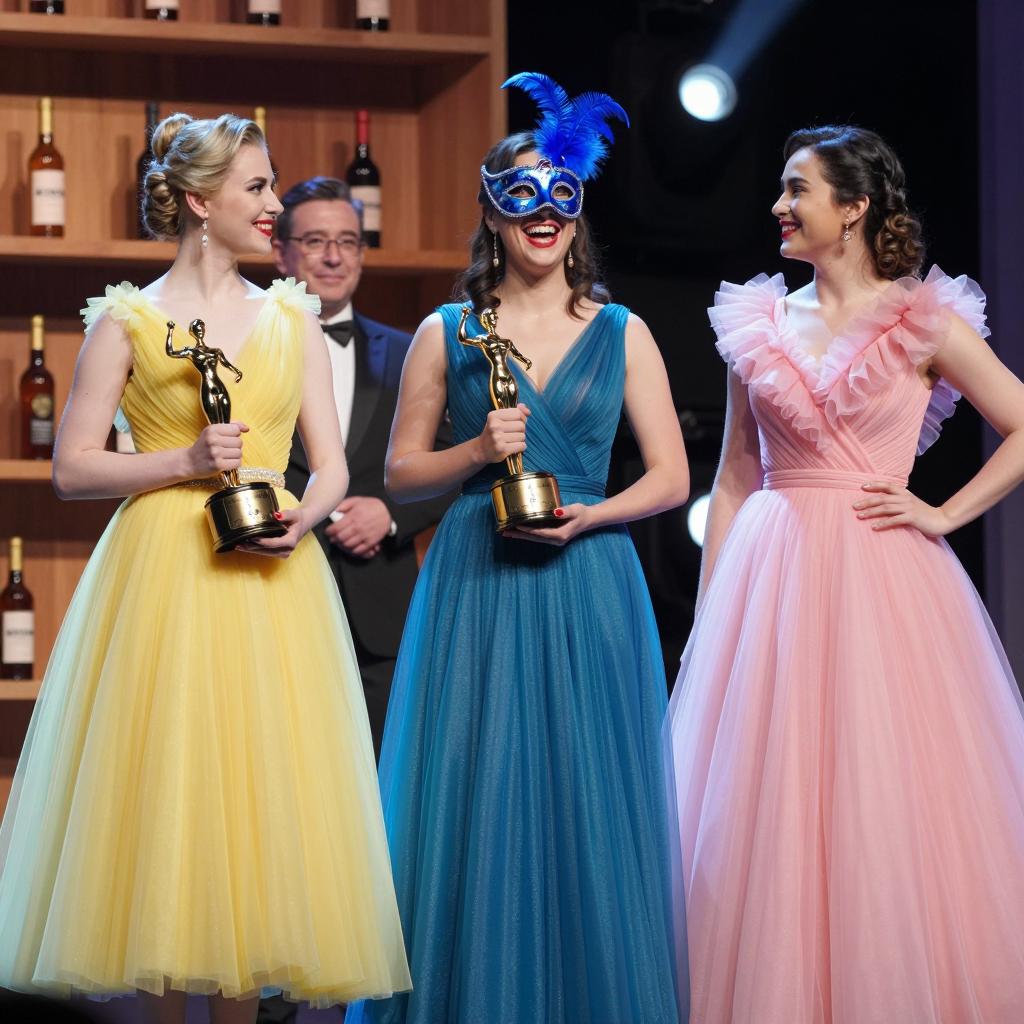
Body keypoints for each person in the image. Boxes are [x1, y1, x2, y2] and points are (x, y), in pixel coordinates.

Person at [0, 113, 410, 1023]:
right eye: (257, 187)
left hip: (272, 582)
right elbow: (72, 469)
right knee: (169, 811)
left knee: (256, 819)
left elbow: (330, 465)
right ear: (197, 200)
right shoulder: (126, 320)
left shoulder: (291, 316)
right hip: (165, 577)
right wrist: (181, 462)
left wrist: (304, 518)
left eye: (271, 186)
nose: (274, 205)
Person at [347, 73, 690, 1024]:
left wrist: (591, 516)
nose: (543, 213)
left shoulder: (623, 332)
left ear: (577, 215)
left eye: (560, 194)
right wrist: (472, 452)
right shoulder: (446, 331)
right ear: (493, 215)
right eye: (522, 196)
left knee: (590, 798)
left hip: (590, 574)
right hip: (479, 579)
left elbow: (671, 477)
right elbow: (401, 473)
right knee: (476, 795)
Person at [669, 125, 1024, 1023]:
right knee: (766, 805)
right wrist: (711, 622)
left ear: (855, 206)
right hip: (772, 581)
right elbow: (735, 478)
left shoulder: (922, 321)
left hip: (882, 582)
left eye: (798, 189)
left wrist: (944, 512)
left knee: (882, 790)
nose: (780, 206)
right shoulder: (759, 323)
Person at [273, 177, 453, 757]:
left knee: (379, 781)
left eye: (347, 241)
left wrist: (392, 514)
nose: (333, 256)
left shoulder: (409, 350)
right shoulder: (246, 348)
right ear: (280, 252)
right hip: (277, 589)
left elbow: (455, 460)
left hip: (381, 608)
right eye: (315, 241)